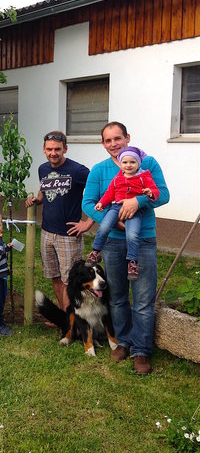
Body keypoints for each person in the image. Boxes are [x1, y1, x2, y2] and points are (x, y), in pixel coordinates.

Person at [82, 122, 169, 375]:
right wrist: (112, 221)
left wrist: (137, 200)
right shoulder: (99, 171)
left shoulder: (147, 163)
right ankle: (124, 341)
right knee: (118, 297)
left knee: (142, 299)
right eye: (108, 141)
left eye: (117, 138)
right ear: (103, 144)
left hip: (142, 240)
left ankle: (141, 350)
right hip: (112, 242)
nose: (113, 144)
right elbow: (89, 203)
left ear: (127, 138)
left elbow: (162, 194)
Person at [25, 131, 93, 312]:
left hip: (68, 235)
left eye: (57, 149)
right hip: (47, 232)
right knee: (55, 276)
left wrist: (88, 223)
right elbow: (44, 189)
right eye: (49, 149)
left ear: (65, 149)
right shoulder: (43, 169)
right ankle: (65, 318)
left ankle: (72, 322)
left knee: (70, 280)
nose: (53, 153)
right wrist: (37, 199)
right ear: (44, 149)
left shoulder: (78, 171)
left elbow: (100, 192)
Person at [86, 146, 160, 280]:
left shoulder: (144, 176)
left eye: (133, 162)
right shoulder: (117, 178)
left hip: (134, 212)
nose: (128, 165)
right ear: (121, 164)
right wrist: (101, 203)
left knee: (132, 234)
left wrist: (149, 193)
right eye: (125, 162)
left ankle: (132, 262)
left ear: (138, 163)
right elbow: (110, 193)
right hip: (115, 207)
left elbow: (156, 191)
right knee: (103, 227)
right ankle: (95, 252)